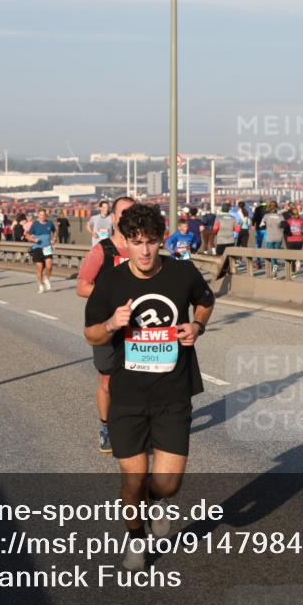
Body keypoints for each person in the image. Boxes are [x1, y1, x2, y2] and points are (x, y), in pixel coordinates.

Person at [84, 203, 215, 570]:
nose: (144, 251)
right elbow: (91, 335)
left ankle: (155, 504)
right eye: (136, 242)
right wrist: (111, 323)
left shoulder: (182, 272)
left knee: (168, 483)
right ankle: (136, 539)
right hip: (128, 397)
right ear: (124, 241)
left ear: (162, 241)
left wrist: (197, 327)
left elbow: (205, 302)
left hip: (173, 393)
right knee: (133, 479)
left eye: (152, 242)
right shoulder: (111, 282)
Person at [78, 196, 136, 454]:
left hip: (137, 325)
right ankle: (106, 427)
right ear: (113, 218)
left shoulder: (143, 249)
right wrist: (110, 297)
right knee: (107, 381)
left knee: (140, 378)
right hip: (106, 324)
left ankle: (135, 425)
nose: (126, 218)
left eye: (132, 213)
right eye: (122, 213)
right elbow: (82, 286)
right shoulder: (102, 250)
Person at [27, 209, 57, 293]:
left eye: (43, 215)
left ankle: (46, 278)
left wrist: (54, 238)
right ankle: (40, 285)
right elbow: (27, 235)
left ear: (46, 215)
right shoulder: (35, 224)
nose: (42, 216)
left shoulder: (49, 223)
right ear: (38, 216)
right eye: (40, 215)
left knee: (49, 266)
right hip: (37, 248)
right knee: (40, 268)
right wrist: (33, 240)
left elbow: (54, 231)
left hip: (47, 247)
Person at [260, 201, 285, 278]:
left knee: (271, 254)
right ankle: (275, 267)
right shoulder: (280, 216)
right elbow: (284, 225)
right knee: (276, 253)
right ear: (276, 207)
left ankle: (274, 267)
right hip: (279, 237)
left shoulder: (266, 216)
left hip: (270, 237)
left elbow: (261, 225)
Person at [281, 206, 303, 276]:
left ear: (291, 214)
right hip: (299, 240)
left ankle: (293, 271)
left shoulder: (288, 221)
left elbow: (285, 229)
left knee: (291, 255)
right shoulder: (302, 220)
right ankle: (297, 262)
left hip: (291, 240)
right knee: (297, 254)